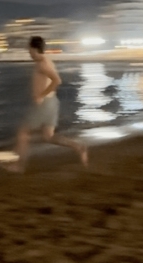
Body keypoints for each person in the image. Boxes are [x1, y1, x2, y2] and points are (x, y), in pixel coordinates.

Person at [9, 36, 88, 172]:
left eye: (29, 49)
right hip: (51, 103)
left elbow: (57, 81)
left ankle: (19, 166)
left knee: (23, 133)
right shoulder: (46, 61)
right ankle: (78, 147)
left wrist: (40, 95)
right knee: (48, 136)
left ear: (34, 49)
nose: (28, 52)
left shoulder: (42, 64)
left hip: (44, 104)